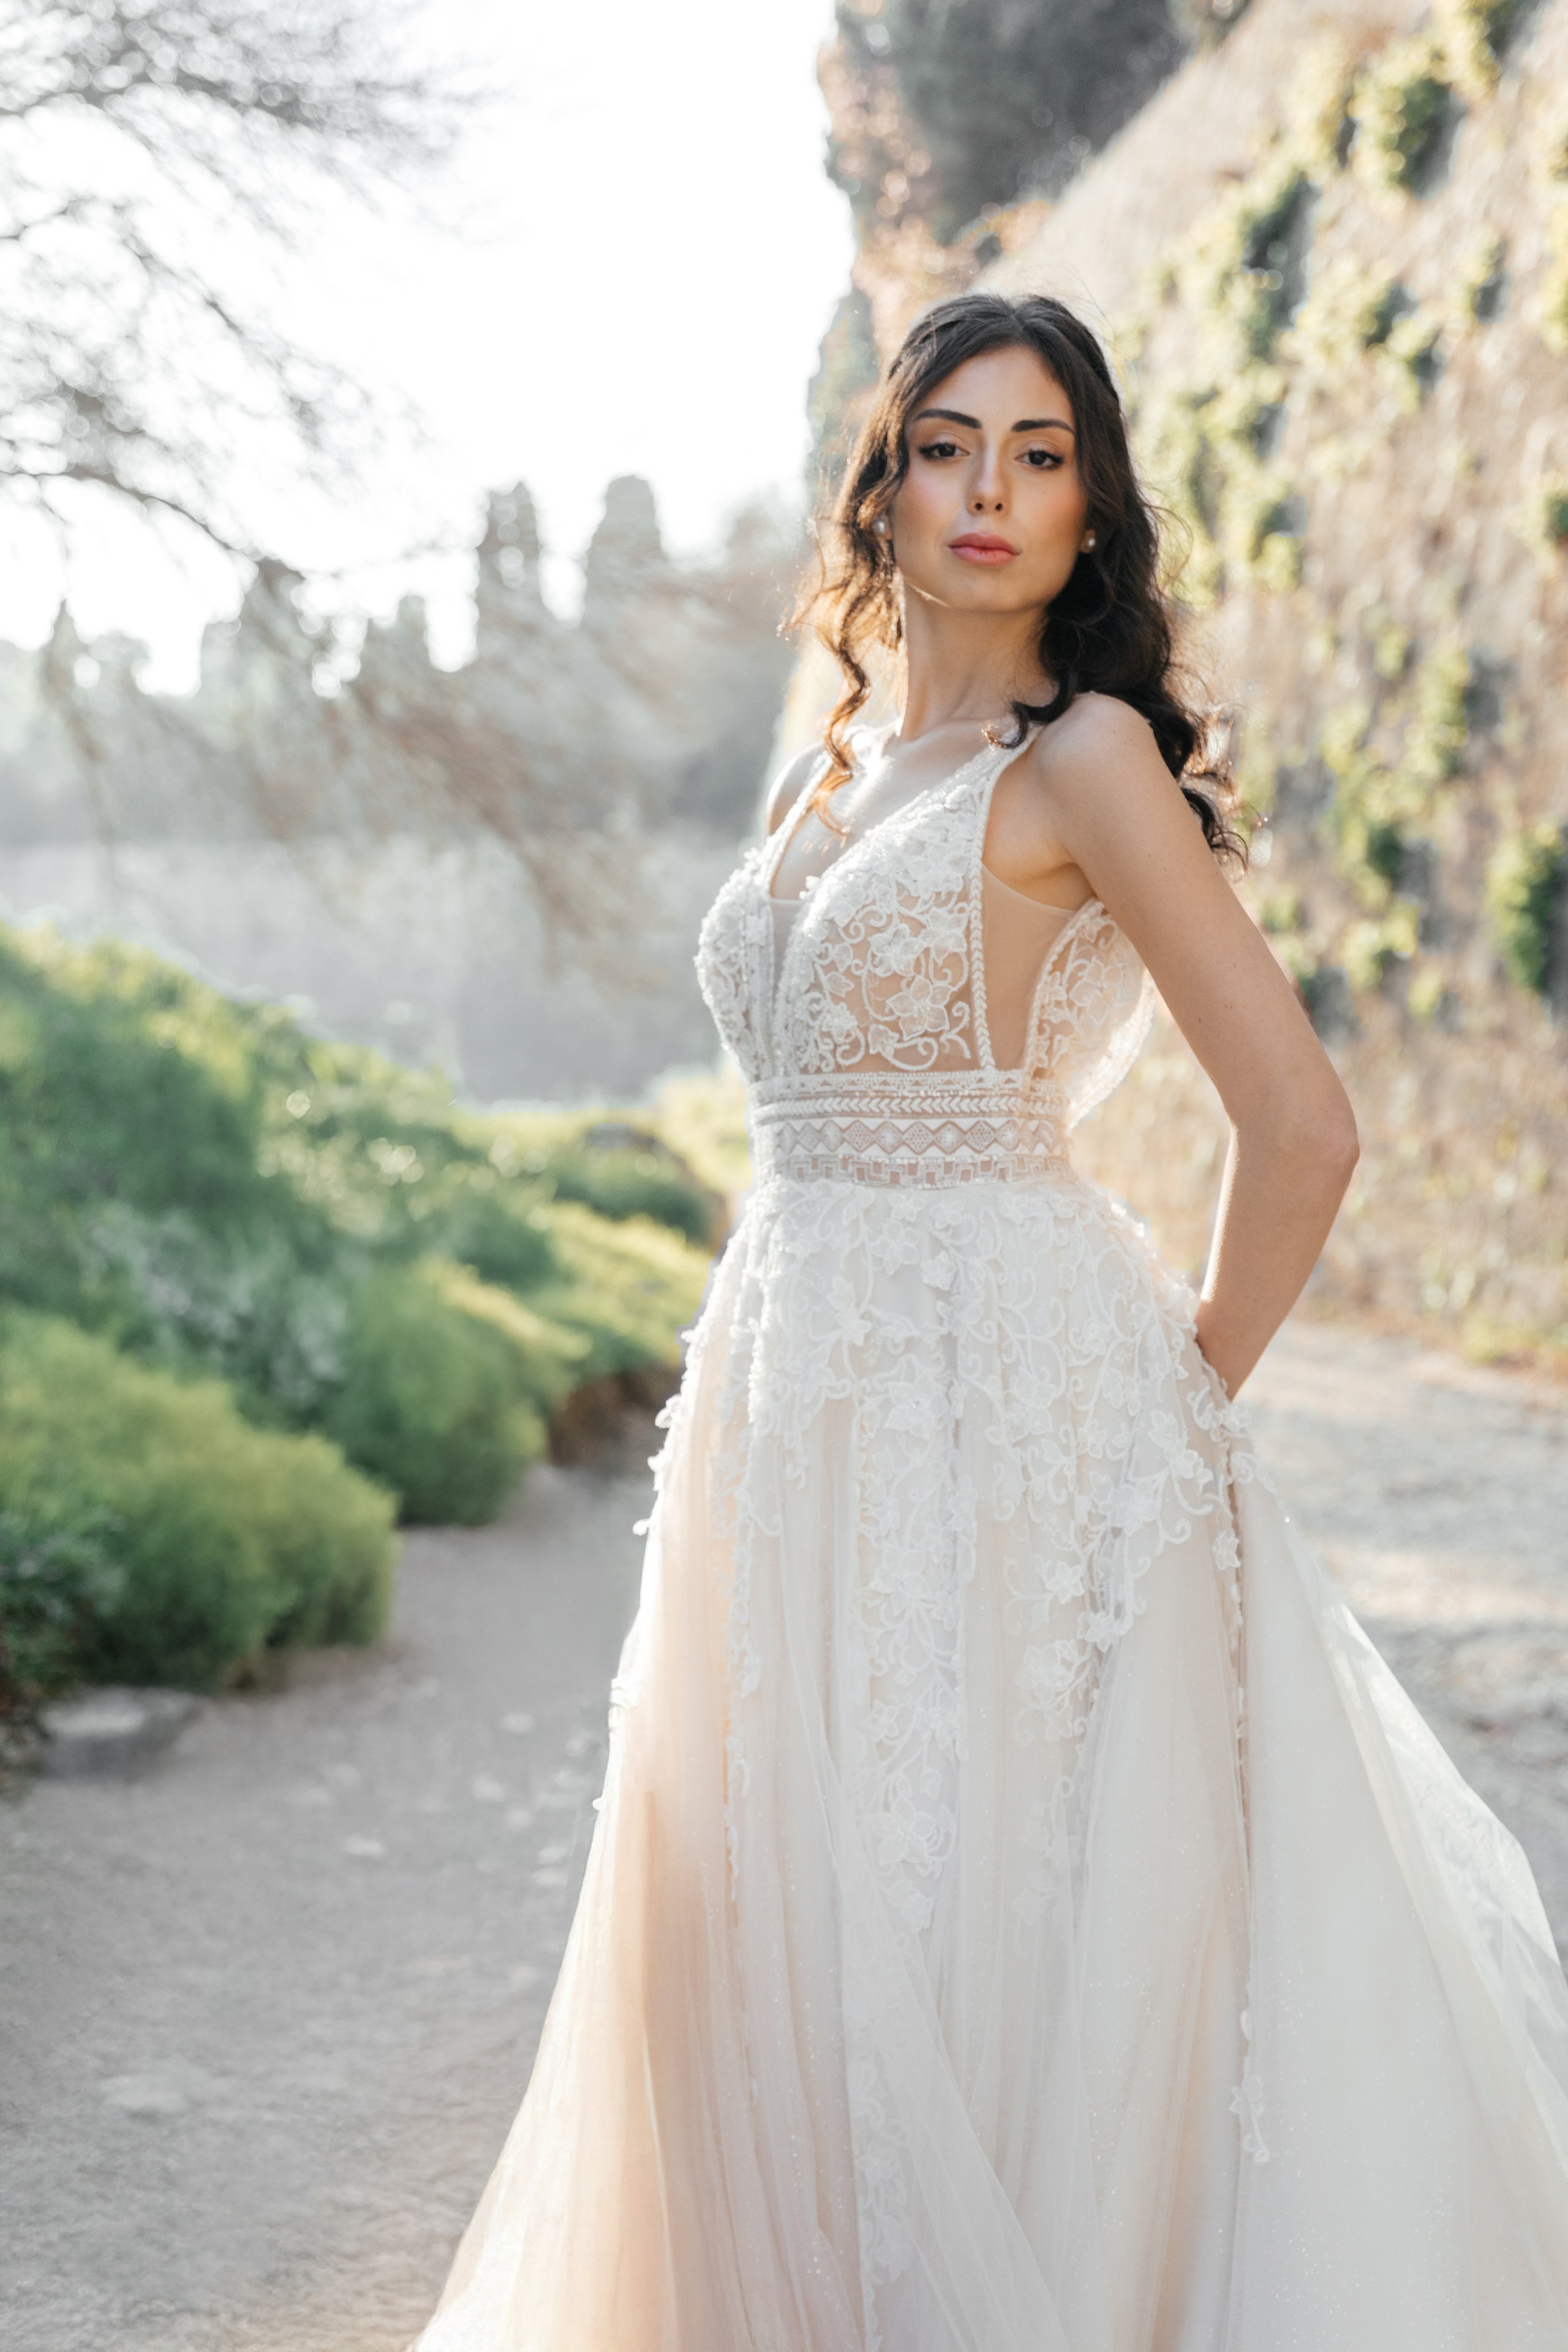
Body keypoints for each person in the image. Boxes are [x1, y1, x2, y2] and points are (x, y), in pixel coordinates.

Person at [414, 292, 1568, 2351]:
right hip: (784, 1413)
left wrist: (1170, 1410)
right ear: (887, 474)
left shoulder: (1089, 759)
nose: (993, 493)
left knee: (974, 1940)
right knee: (768, 1926)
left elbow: (1302, 1127)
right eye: (954, 443)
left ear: (1092, 514)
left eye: (1045, 459)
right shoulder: (843, 758)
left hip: (1013, 1427)